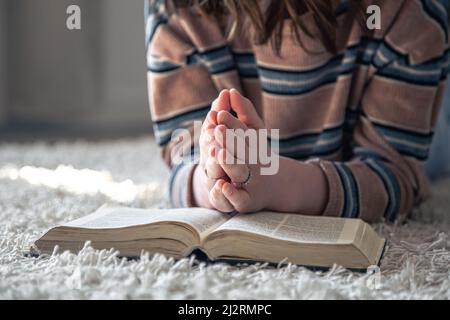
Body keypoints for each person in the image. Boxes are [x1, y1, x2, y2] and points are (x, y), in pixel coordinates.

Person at [145, 0, 449, 222]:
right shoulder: (180, 9)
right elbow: (183, 154)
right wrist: (214, 176)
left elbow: (395, 176)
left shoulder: (403, 13)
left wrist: (279, 184)